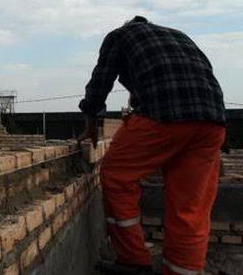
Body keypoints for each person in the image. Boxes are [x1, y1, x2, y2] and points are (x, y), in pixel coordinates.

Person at [78, 16, 226, 275]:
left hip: (163, 114)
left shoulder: (120, 36)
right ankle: (184, 270)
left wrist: (91, 118)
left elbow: (101, 81)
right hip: (212, 121)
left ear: (127, 25)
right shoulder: (178, 35)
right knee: (190, 205)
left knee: (116, 175)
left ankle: (133, 259)